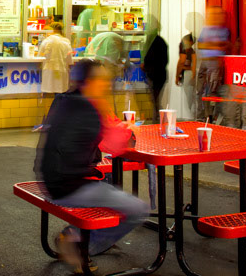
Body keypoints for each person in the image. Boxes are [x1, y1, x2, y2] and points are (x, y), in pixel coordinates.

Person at [35, 59, 148, 271]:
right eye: (101, 80)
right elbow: (115, 146)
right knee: (137, 209)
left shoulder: (65, 101)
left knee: (108, 181)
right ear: (88, 82)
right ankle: (79, 243)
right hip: (70, 186)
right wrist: (132, 131)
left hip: (51, 179)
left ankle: (79, 236)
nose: (106, 84)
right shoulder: (90, 109)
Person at [35, 22, 73, 131]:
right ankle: (58, 122)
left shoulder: (47, 41)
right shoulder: (66, 41)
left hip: (49, 71)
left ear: (51, 30)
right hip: (61, 72)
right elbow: (69, 60)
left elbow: (39, 57)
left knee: (48, 96)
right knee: (60, 95)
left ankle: (47, 122)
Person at [195, 7, 231, 123]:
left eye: (217, 14)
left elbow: (224, 46)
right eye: (213, 14)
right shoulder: (206, 29)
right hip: (204, 61)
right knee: (199, 90)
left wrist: (209, 44)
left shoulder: (224, 31)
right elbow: (200, 45)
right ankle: (200, 116)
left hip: (215, 62)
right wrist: (215, 44)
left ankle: (209, 117)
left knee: (211, 90)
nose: (214, 16)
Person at [141, 28, 169, 122]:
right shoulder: (161, 42)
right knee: (155, 99)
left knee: (154, 99)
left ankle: (157, 120)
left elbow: (149, 59)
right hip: (160, 74)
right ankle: (158, 119)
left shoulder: (152, 43)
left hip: (154, 75)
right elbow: (165, 60)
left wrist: (146, 67)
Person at [175, 33, 197, 117]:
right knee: (191, 96)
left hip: (187, 74)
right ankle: (192, 114)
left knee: (188, 97)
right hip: (189, 74)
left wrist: (177, 76)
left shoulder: (184, 48)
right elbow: (193, 63)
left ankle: (190, 115)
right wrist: (193, 72)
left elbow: (181, 61)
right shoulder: (191, 50)